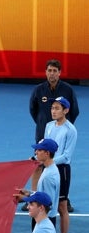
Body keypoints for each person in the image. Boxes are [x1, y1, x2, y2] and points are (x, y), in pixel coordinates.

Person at [26, 59, 79, 212]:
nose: (52, 74)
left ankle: (64, 198)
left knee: (59, 166)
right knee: (37, 166)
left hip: (60, 136)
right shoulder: (38, 90)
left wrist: (63, 127)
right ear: (45, 72)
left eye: (55, 71)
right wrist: (43, 123)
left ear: (59, 73)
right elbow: (33, 109)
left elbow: (74, 110)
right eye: (49, 70)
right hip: (43, 134)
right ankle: (35, 197)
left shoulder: (68, 90)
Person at [45, 97, 77, 233]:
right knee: (46, 203)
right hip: (48, 168)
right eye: (52, 108)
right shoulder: (49, 126)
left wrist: (49, 161)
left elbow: (66, 156)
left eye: (57, 108)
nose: (53, 111)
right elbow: (45, 147)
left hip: (61, 170)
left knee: (62, 206)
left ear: (66, 110)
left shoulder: (71, 130)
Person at [15, 138, 60, 231]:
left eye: (39, 150)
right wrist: (30, 193)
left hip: (43, 220)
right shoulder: (50, 169)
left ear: (47, 153)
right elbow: (43, 195)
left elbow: (47, 204)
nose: (36, 152)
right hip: (44, 219)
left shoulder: (48, 177)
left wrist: (25, 198)